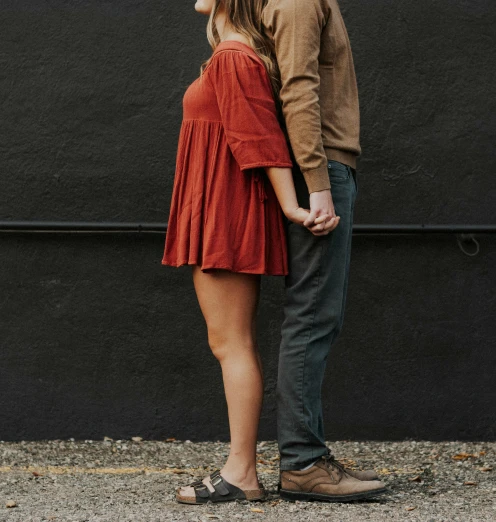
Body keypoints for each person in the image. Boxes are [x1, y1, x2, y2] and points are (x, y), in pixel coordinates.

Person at [161, 0, 338, 505]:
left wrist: (290, 206)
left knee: (231, 343)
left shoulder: (234, 57)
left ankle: (241, 472)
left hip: (225, 212)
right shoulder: (234, 55)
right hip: (219, 208)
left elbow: (258, 137)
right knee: (230, 342)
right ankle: (242, 468)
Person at [262, 0, 389, 501]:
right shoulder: (295, 1)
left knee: (318, 315)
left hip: (326, 167)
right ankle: (301, 462)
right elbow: (297, 89)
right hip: (321, 170)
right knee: (312, 314)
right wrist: (318, 183)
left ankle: (306, 455)